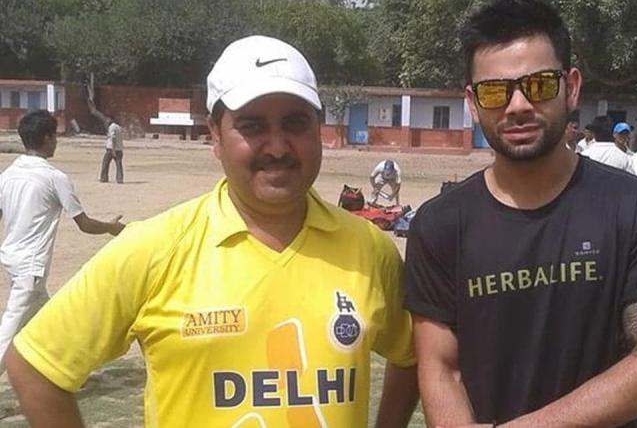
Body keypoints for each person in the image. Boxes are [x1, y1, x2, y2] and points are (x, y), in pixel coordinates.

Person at [6, 36, 418, 427]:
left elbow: (412, 354)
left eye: (295, 123)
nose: (278, 147)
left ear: (318, 130)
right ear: (215, 136)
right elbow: (35, 366)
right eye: (252, 127)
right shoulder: (155, 248)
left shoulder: (369, 249)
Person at [404, 0, 637, 428]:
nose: (518, 105)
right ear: (472, 103)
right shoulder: (440, 225)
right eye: (495, 91)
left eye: (538, 85)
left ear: (571, 87)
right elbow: (441, 367)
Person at [0, 110, 125, 375]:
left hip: (12, 259)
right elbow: (84, 224)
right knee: (8, 333)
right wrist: (111, 228)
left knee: (52, 322)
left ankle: (65, 370)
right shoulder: (54, 178)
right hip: (30, 268)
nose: (56, 142)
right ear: (47, 138)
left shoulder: (7, 175)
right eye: (54, 136)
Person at [99, 117, 124, 183]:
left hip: (111, 149)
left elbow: (113, 138)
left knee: (105, 163)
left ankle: (104, 178)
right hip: (119, 149)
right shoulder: (119, 127)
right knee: (119, 165)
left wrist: (113, 149)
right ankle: (120, 179)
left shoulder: (112, 127)